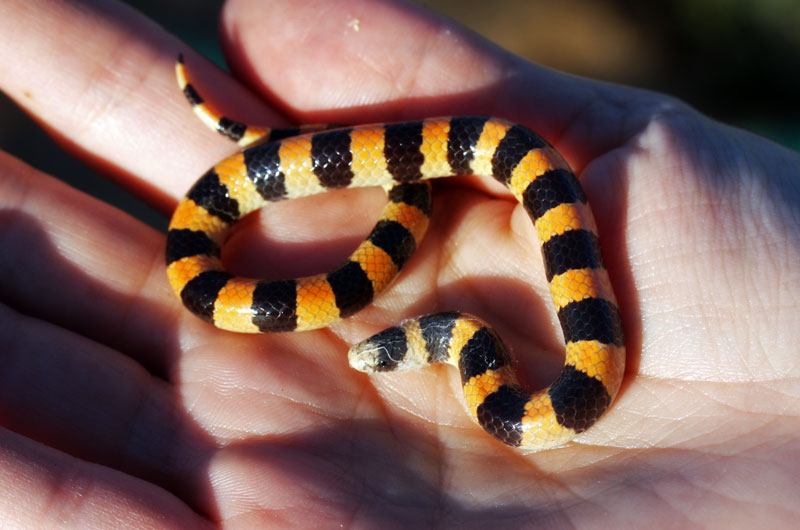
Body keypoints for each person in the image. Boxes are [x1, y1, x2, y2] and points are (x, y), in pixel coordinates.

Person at [0, 0, 798, 527]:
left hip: (495, 179)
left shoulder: (513, 391)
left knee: (415, 185)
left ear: (443, 340)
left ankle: (357, 173)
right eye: (383, 348)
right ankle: (372, 178)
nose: (369, 351)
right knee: (389, 194)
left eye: (385, 352)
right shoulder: (506, 381)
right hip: (495, 169)